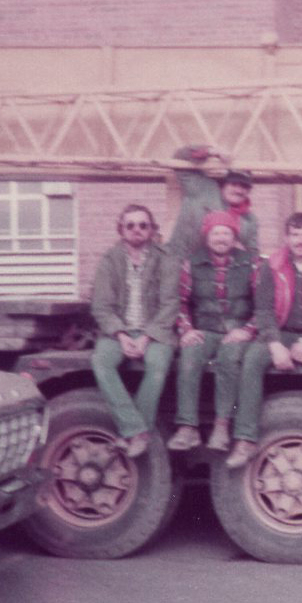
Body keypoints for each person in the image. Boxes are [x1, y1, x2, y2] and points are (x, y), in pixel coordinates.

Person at [227, 212, 302, 469]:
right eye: (295, 235)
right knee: (252, 359)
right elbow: (263, 310)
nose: (301, 240)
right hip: (281, 331)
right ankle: (245, 439)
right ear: (286, 237)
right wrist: (273, 343)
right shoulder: (271, 264)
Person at [89, 204, 179, 457]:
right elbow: (101, 306)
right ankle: (137, 430)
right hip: (118, 332)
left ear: (152, 229)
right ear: (121, 230)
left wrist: (148, 337)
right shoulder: (109, 260)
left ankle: (130, 432)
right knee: (101, 362)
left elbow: (170, 303)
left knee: (158, 365)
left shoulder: (166, 259)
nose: (137, 230)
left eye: (143, 225)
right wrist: (121, 334)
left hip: (156, 331)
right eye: (130, 225)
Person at [167, 210, 260, 454]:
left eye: (227, 233)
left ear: (234, 237)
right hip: (205, 330)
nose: (221, 238)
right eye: (216, 232)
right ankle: (188, 427)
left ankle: (222, 425)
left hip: (236, 331)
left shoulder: (250, 262)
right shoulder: (192, 262)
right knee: (189, 356)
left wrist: (248, 330)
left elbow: (265, 305)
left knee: (229, 360)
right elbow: (179, 301)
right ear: (207, 236)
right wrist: (186, 330)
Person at [165, 144, 259, 258]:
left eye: (244, 186)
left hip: (221, 272)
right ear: (224, 184)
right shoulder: (204, 189)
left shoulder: (250, 220)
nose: (239, 190)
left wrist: (240, 251)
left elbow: (254, 255)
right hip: (182, 263)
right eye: (234, 184)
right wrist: (212, 152)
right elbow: (179, 158)